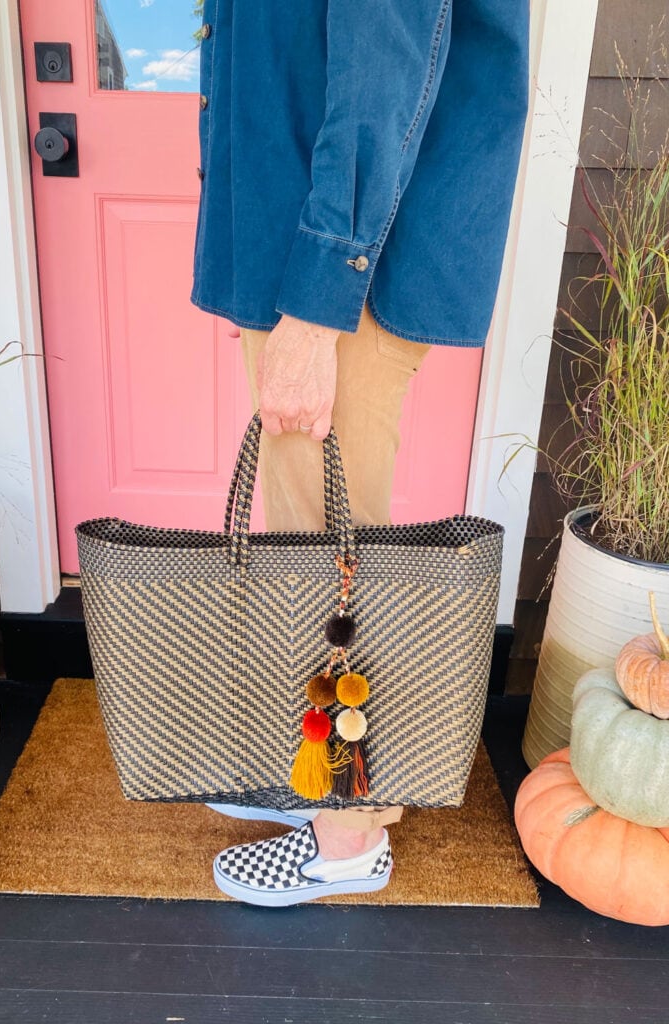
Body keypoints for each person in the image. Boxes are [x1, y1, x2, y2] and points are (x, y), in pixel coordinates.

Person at [190, 0, 530, 906]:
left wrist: (317, 297)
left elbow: (385, 60)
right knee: (316, 534)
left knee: (328, 551)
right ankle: (321, 780)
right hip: (308, 245)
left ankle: (346, 838)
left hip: (342, 267)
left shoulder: (328, 278)